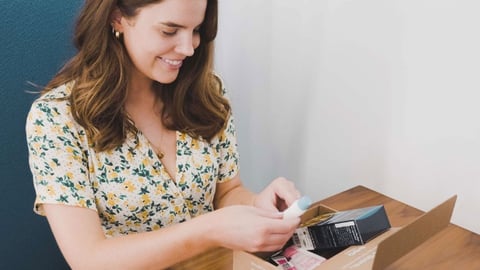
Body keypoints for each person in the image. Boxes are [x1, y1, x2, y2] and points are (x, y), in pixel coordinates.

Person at [26, 0, 302, 269]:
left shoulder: (208, 92)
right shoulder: (57, 118)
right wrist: (210, 230)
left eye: (196, 30)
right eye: (169, 30)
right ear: (117, 17)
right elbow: (89, 259)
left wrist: (257, 206)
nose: (188, 48)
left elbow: (227, 191)